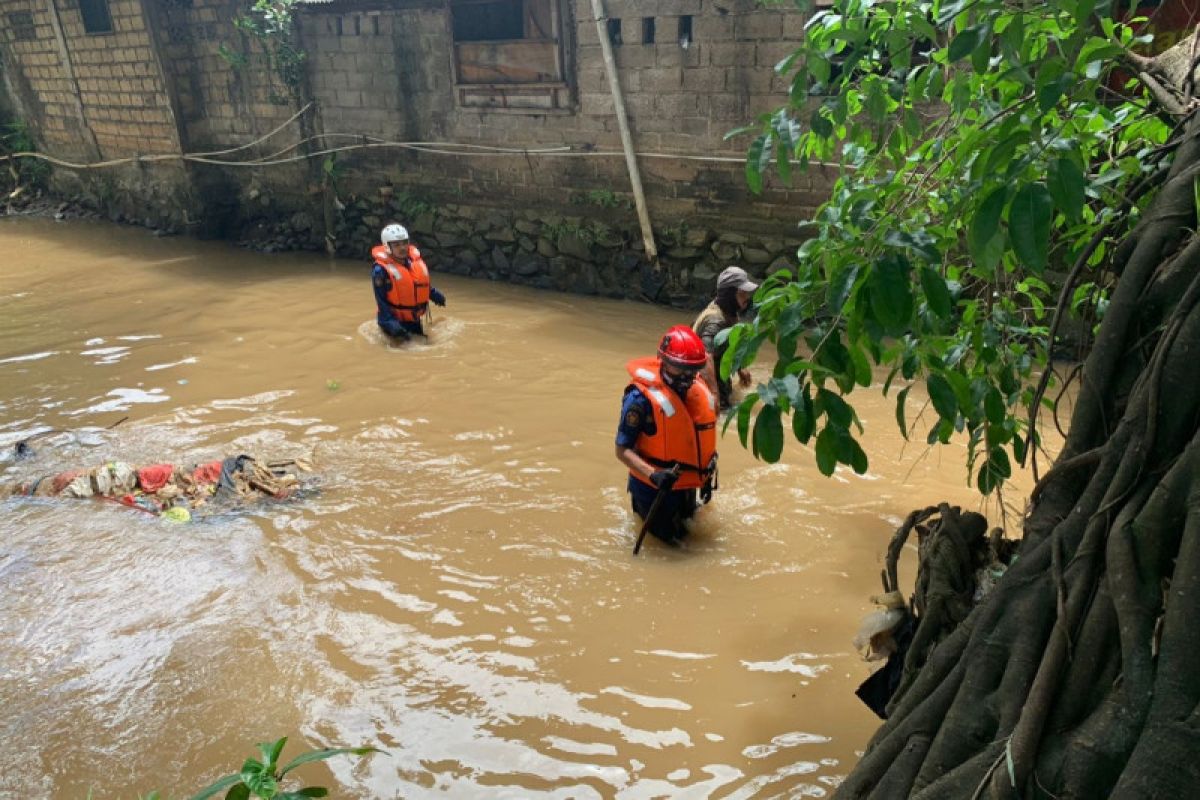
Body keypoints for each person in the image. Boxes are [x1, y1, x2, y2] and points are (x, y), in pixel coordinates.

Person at [615, 325, 719, 545]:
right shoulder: (639, 399)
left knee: (689, 539)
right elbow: (622, 450)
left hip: (687, 485)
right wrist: (653, 474)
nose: (685, 377)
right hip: (653, 490)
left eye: (691, 370)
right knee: (669, 549)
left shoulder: (696, 389)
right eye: (679, 369)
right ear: (663, 362)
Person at [693, 265, 758, 409]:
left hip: (718, 374)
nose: (747, 298)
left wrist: (740, 368)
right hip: (701, 381)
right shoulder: (715, 321)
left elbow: (730, 342)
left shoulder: (728, 311)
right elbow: (705, 357)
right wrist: (714, 394)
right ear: (729, 294)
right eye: (742, 293)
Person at [371, 223, 446, 341]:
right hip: (393, 321)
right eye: (396, 245)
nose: (402, 248)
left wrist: (434, 294)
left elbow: (417, 284)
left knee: (423, 345)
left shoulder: (411, 262)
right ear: (387, 247)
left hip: (413, 319)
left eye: (405, 243)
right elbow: (381, 301)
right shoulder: (380, 271)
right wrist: (390, 323)